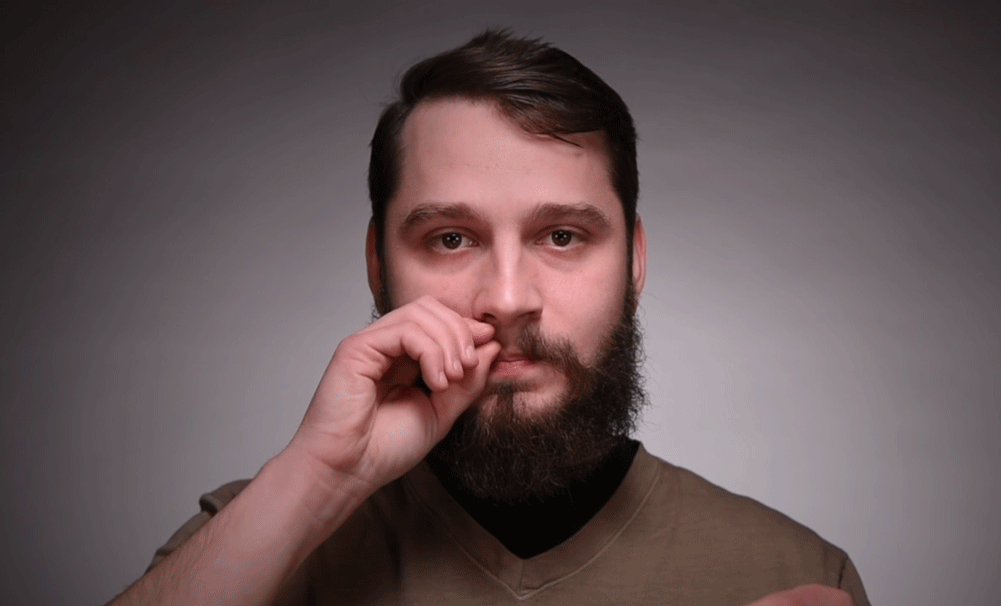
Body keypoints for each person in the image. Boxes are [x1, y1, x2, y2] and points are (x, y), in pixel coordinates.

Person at [107, 29, 870, 606]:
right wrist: (318, 478)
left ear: (634, 261)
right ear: (378, 265)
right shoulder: (256, 538)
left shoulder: (791, 574)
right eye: (451, 238)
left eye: (562, 236)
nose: (506, 299)